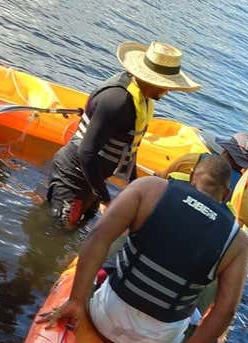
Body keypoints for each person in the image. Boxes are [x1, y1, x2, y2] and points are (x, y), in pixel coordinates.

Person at [38, 155, 248, 343]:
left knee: (121, 236)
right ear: (226, 195)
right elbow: (226, 309)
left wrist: (76, 301)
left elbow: (97, 237)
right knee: (213, 278)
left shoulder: (149, 189)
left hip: (103, 317)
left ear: (192, 177)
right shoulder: (238, 240)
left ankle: (97, 281)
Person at [46, 41, 200, 228]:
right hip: (74, 176)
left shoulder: (141, 98)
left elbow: (129, 146)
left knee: (79, 226)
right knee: (59, 229)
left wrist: (133, 186)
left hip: (94, 179)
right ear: (149, 79)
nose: (167, 91)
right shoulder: (117, 101)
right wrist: (105, 199)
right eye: (164, 86)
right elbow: (86, 152)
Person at [162, 132, 248, 231]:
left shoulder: (191, 159)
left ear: (225, 150)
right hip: (199, 233)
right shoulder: (242, 191)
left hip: (167, 216)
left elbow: (161, 177)